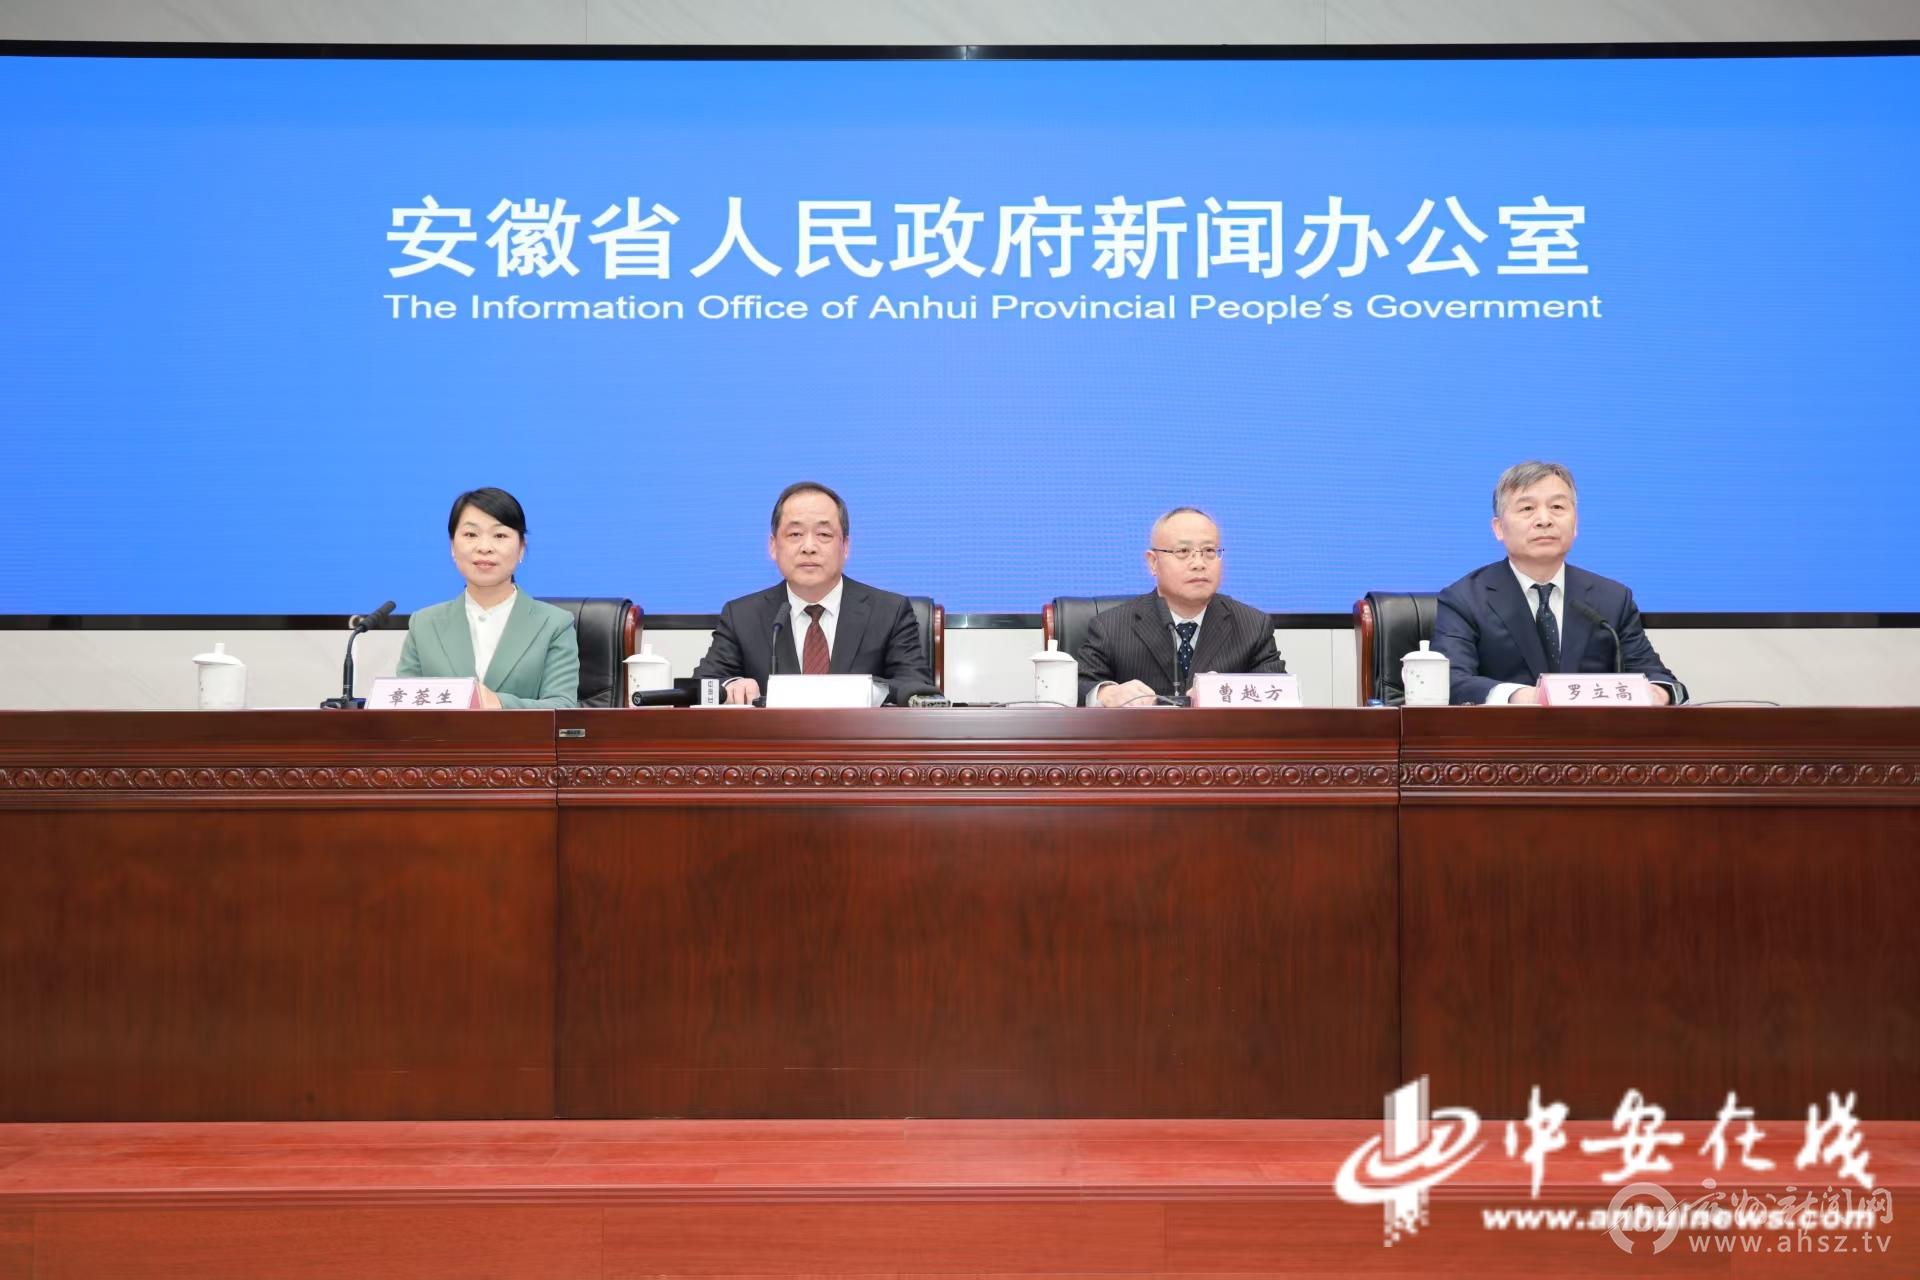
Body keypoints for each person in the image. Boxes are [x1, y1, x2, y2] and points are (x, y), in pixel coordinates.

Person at [1431, 461, 1685, 705]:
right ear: (1499, 528)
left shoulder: (1612, 599)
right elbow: (1449, 681)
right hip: (1506, 733)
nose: (1544, 520)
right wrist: (1526, 697)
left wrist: (1658, 694)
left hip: (1592, 734)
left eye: (1557, 507)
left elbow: (1658, 677)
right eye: (1527, 509)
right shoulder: (1465, 599)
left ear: (1575, 524)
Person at [694, 481, 935, 705]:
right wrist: (730, 685)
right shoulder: (742, 616)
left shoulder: (889, 612)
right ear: (773, 546)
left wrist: (859, 690)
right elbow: (700, 686)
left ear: (845, 547)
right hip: (773, 739)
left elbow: (917, 689)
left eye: (824, 535)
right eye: (795, 534)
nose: (809, 547)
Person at [1077, 507, 1285, 707]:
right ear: (1153, 562)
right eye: (1183, 551)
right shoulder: (1110, 627)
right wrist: (1106, 693)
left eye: (1209, 551)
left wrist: (1227, 690)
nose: (1199, 563)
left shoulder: (1252, 626)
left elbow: (1279, 693)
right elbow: (1076, 687)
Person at [394, 487, 580, 709]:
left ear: (521, 548)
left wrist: (499, 703)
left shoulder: (554, 624)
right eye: (471, 535)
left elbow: (563, 707)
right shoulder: (424, 624)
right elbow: (403, 707)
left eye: (500, 535)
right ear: (452, 546)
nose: (484, 548)